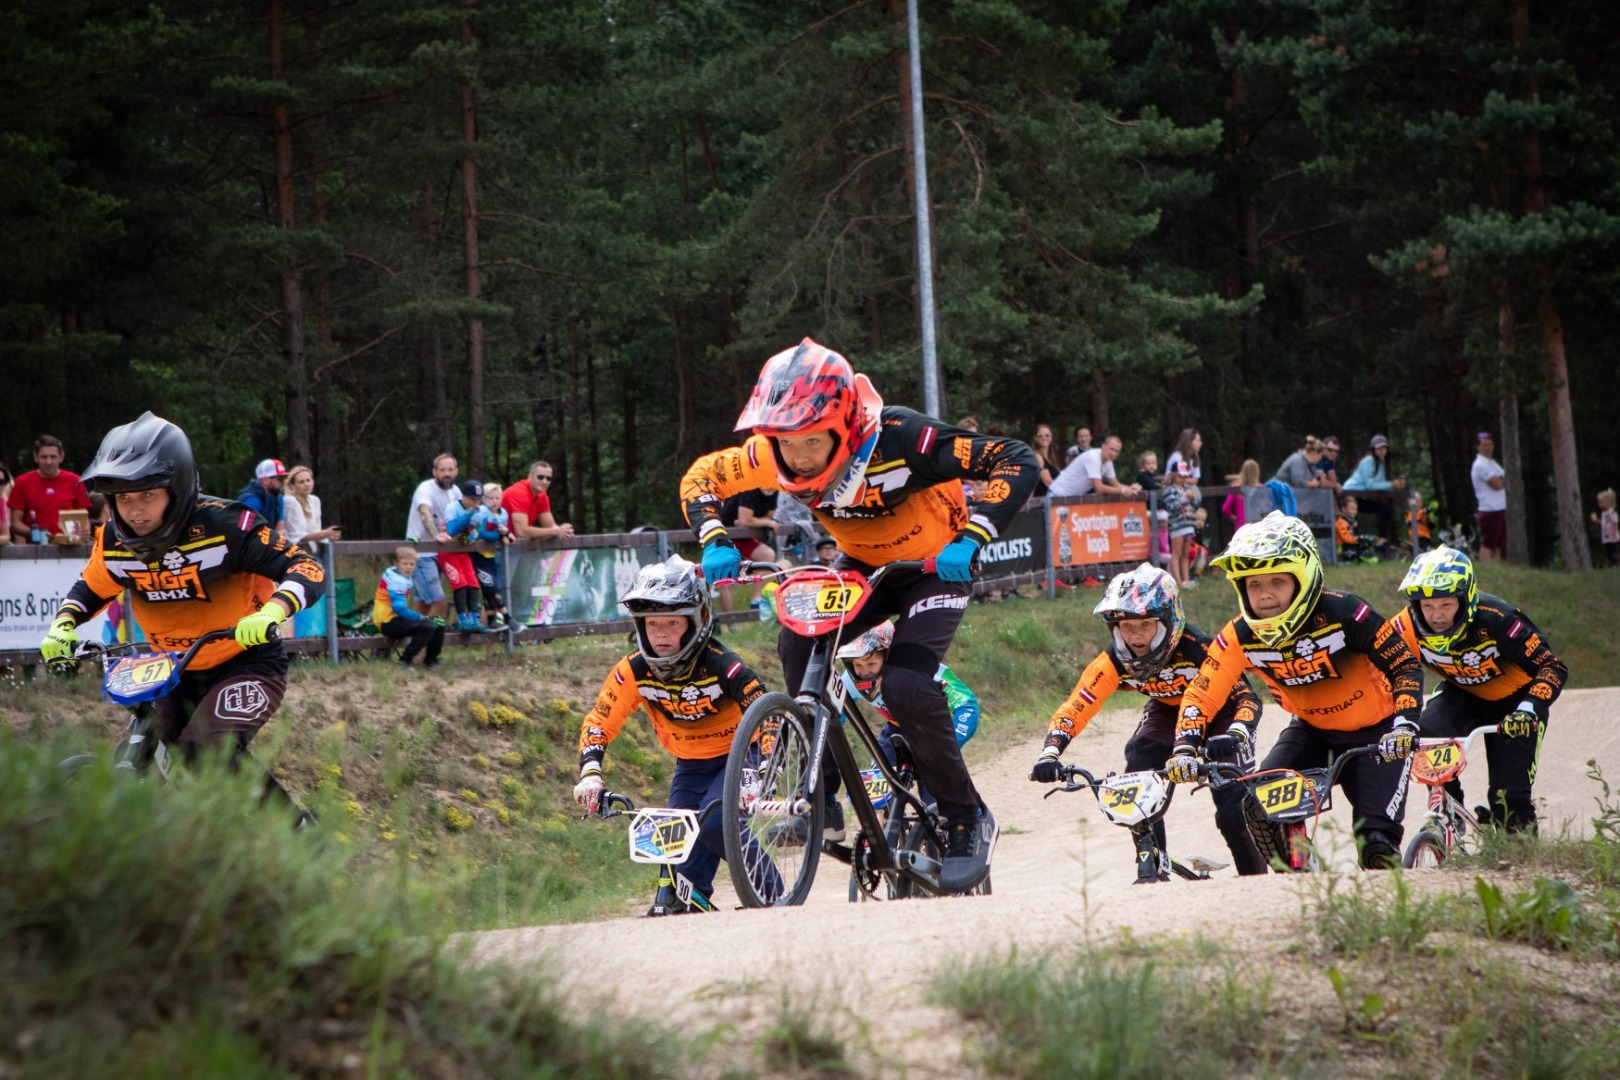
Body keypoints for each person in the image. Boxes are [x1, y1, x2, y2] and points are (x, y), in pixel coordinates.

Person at [681, 338, 1039, 892]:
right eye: (786, 442)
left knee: (905, 686)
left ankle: (965, 816)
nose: (799, 456)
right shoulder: (767, 454)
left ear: (843, 425)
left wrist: (974, 536)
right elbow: (701, 477)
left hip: (934, 567)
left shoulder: (903, 438)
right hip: (863, 566)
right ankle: (821, 795)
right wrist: (712, 536)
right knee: (797, 641)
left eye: (811, 440)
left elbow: (1015, 459)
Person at [37, 412, 322, 823]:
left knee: (205, 750)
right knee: (137, 754)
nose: (135, 511)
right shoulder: (113, 539)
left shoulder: (227, 525)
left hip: (246, 663)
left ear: (178, 488)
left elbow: (306, 567)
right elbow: (92, 586)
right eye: (123, 498)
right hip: (170, 668)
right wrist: (62, 625)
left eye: (147, 495)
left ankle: (298, 832)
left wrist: (273, 611)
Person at [1165, 511, 1424, 870]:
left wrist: (1405, 725)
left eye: (1277, 581)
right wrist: (1184, 747)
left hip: (1378, 735)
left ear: (1303, 578)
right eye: (1254, 584)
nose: (1265, 595)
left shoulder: (1346, 612)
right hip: (1312, 732)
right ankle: (1303, 875)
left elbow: (1403, 664)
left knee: (1376, 847)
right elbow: (1202, 693)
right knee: (1260, 805)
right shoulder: (1240, 634)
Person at [1030, 564, 1267, 877]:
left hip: (1222, 715)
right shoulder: (1114, 660)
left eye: (1145, 624)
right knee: (1137, 777)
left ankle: (1255, 881)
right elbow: (1077, 705)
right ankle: (1154, 869)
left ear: (1169, 621)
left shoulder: (1198, 648)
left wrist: (1236, 733)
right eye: (1126, 625)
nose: (1134, 635)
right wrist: (1050, 753)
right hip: (1167, 711)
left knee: (1232, 807)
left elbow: (1248, 698)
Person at [572, 556, 777, 915]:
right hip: (691, 764)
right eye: (652, 623)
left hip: (739, 755)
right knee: (675, 848)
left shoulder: (722, 663)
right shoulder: (633, 669)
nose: (662, 633)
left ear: (697, 620)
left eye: (673, 622)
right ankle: (688, 912)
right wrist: (591, 773)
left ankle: (775, 898)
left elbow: (768, 713)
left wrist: (761, 771)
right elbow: (599, 721)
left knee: (717, 824)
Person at [1389, 546, 1566, 833]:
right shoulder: (1404, 626)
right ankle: (1449, 811)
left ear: (1465, 598)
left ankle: (1518, 848)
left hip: (1517, 701)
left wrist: (1528, 709)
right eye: (1427, 605)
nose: (1436, 615)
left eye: (1446, 605)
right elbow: (1379, 670)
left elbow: (1553, 667)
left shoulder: (1498, 619)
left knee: (1509, 799)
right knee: (1427, 731)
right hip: (1462, 692)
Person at [835, 620, 980, 819]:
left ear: (887, 656)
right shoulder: (849, 680)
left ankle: (965, 824)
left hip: (933, 733)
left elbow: (968, 705)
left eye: (871, 663)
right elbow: (835, 716)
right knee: (877, 801)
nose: (864, 671)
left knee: (941, 807)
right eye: (857, 665)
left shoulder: (922, 668)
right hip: (895, 732)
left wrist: (949, 745)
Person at [449, 481, 514, 627]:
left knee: (488, 589)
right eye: (490, 498)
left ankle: (491, 620)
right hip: (478, 555)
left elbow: (505, 534)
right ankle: (508, 618)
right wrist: (498, 535)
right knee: (492, 587)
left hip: (492, 555)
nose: (494, 501)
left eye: (497, 498)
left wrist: (506, 533)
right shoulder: (481, 512)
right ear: (483, 499)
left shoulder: (504, 514)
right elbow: (480, 532)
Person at [404, 453, 458, 621]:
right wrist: (437, 535)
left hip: (441, 553)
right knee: (439, 603)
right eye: (442, 470)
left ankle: (412, 635)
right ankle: (428, 635)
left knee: (423, 604)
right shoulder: (425, 489)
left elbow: (464, 515)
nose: (447, 474)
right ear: (435, 472)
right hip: (421, 554)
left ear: (456, 471)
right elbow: (425, 513)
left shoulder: (455, 491)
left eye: (450, 470)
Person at [9, 434, 90, 543]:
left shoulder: (75, 481)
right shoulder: (22, 482)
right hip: (36, 548)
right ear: (36, 457)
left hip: (70, 546)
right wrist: (38, 535)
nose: (48, 462)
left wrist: (84, 531)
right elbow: (15, 523)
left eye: (53, 457)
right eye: (44, 457)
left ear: (61, 457)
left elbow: (84, 518)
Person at [374, 546, 446, 667]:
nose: (408, 567)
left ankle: (431, 659)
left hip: (397, 619)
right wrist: (420, 617)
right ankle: (405, 660)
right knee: (428, 626)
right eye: (405, 563)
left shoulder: (401, 575)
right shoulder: (396, 581)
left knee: (439, 622)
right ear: (397, 563)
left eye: (412, 564)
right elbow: (399, 608)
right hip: (387, 622)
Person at [439, 481, 487, 632]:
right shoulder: (452, 508)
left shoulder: (480, 510)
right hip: (448, 552)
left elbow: (479, 527)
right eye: (472, 498)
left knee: (473, 583)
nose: (476, 502)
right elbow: (451, 530)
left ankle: (474, 620)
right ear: (463, 496)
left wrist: (475, 534)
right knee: (460, 584)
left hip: (462, 552)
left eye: (479, 499)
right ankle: (462, 620)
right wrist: (469, 514)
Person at [1342, 435, 1404, 542]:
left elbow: (1379, 484)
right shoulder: (1368, 461)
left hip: (1360, 496)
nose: (1382, 451)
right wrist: (1391, 484)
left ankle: (1380, 541)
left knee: (1387, 510)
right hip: (1350, 494)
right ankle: (1351, 543)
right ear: (1373, 449)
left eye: (1384, 448)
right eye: (1379, 448)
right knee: (1351, 514)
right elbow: (1370, 485)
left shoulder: (1381, 462)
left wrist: (1396, 486)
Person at [1047, 433, 1142, 499]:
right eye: (1111, 449)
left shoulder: (1108, 462)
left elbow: (1116, 484)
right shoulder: (1093, 457)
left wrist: (1131, 489)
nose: (1113, 453)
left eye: (1116, 451)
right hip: (1057, 495)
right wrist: (1122, 491)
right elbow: (1099, 488)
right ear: (1103, 446)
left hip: (1070, 499)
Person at [502, 460, 575, 542]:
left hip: (514, 543)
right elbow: (521, 532)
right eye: (540, 477)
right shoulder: (519, 492)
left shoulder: (542, 496)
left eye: (548, 478)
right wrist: (556, 531)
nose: (544, 481)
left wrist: (564, 531)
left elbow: (551, 527)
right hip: (497, 543)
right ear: (530, 477)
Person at [282, 465, 341, 546]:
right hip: (293, 550)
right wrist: (324, 534)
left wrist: (329, 536)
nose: (306, 484)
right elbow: (295, 536)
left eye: (308, 480)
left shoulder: (315, 500)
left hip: (312, 549)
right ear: (292, 485)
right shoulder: (289, 501)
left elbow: (315, 532)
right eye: (301, 482)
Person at [1471, 432, 1507, 562]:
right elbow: (1497, 484)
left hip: (1500, 508)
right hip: (1489, 509)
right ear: (1478, 447)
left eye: (1490, 444)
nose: (1488, 447)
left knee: (1497, 545)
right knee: (1488, 544)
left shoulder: (1493, 463)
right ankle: (1486, 567)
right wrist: (1503, 479)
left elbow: (1503, 479)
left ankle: (1497, 570)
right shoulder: (1480, 465)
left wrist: (1502, 479)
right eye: (1484, 445)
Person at [236, 458, 289, 537]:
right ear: (265, 480)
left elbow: (280, 529)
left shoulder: (278, 498)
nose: (284, 482)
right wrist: (273, 538)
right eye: (280, 479)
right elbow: (243, 533)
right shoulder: (251, 500)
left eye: (285, 478)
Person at [1222, 459, 1262, 535]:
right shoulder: (1261, 488)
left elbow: (1226, 508)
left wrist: (1231, 516)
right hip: (1258, 527)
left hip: (1241, 528)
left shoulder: (1236, 488)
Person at [1030, 424, 1065, 497]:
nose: (1044, 438)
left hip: (1052, 498)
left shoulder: (1051, 459)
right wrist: (1065, 491)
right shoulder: (1038, 457)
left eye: (1047, 435)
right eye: (1040, 436)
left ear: (1051, 437)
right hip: (1042, 500)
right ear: (1035, 438)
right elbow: (1048, 482)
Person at [1593, 488, 1619, 567]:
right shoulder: (1603, 513)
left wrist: (1614, 532)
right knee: (1608, 551)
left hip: (1613, 537)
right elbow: (1604, 523)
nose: (1599, 504)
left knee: (1613, 551)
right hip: (1606, 537)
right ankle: (1612, 564)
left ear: (1608, 502)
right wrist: (1597, 520)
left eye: (1601, 502)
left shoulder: (1612, 512)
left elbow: (1615, 522)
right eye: (1599, 502)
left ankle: (1615, 564)